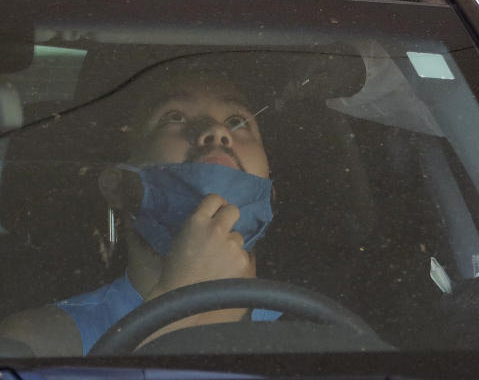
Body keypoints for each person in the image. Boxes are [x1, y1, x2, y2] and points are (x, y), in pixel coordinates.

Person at [0, 54, 280, 356]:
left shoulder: (327, 334)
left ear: (271, 192)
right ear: (118, 185)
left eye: (237, 121)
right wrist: (179, 295)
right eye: (175, 117)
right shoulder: (40, 343)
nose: (217, 131)